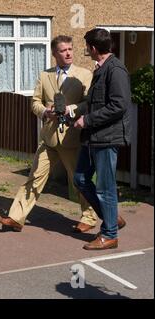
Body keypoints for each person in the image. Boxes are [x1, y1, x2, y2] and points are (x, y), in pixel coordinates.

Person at [0, 35, 99, 233]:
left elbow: (89, 103)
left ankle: (89, 217)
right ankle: (16, 217)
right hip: (49, 136)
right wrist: (45, 111)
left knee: (79, 180)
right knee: (35, 177)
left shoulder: (84, 74)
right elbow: (35, 102)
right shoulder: (44, 75)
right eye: (63, 50)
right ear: (54, 54)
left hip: (72, 137)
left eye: (70, 49)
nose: (68, 53)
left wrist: (72, 108)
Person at [73, 28, 130, 250]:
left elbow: (118, 105)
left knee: (105, 188)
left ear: (93, 48)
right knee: (80, 179)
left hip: (107, 137)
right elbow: (93, 101)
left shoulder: (115, 70)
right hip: (94, 137)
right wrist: (74, 111)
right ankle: (112, 217)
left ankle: (109, 235)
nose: (86, 50)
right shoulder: (101, 69)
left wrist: (87, 121)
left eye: (87, 47)